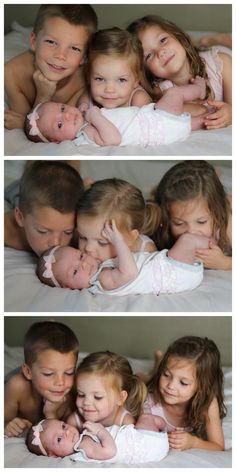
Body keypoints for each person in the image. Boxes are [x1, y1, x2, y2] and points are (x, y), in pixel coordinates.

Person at [36, 219, 210, 294]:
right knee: (188, 240)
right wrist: (118, 241)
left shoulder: (100, 271)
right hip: (172, 271)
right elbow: (129, 273)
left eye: (81, 256)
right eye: (74, 272)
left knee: (188, 243)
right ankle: (214, 244)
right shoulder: (102, 280)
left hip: (173, 270)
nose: (84, 264)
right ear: (69, 288)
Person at [24, 75, 208, 146]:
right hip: (156, 121)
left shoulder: (83, 124)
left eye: (63, 107)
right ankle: (199, 90)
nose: (67, 115)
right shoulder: (85, 133)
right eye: (59, 124)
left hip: (160, 129)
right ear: (57, 141)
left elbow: (83, 111)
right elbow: (113, 138)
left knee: (191, 123)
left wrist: (84, 111)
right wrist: (95, 115)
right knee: (174, 93)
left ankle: (204, 120)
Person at [128, 15, 232, 129]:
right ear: (146, 71)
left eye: (163, 40)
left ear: (179, 37)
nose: (161, 52)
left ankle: (213, 41)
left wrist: (231, 113)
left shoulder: (221, 63)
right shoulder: (162, 92)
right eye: (149, 55)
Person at [4, 5, 97, 130]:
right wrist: (43, 96)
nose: (60, 56)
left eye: (75, 48)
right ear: (33, 41)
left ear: (84, 57)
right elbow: (26, 122)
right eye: (51, 42)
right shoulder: (11, 73)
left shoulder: (84, 79)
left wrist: (23, 123)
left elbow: (64, 129)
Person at [139, 336, 226, 451]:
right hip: (151, 381)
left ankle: (160, 364)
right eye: (166, 375)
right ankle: (158, 365)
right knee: (143, 379)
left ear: (202, 387)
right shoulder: (150, 398)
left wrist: (194, 442)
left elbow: (218, 446)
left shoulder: (207, 403)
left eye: (183, 382)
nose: (171, 386)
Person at [4, 321, 79, 437]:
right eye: (48, 374)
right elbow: (4, 420)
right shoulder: (17, 386)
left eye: (69, 372)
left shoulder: (73, 394)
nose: (61, 382)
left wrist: (51, 414)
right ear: (28, 372)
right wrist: (8, 425)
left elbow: (60, 438)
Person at [152, 160, 232, 270]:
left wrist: (224, 263)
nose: (191, 232)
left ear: (217, 213)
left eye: (201, 222)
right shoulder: (162, 225)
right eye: (178, 223)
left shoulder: (227, 221)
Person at [4, 160, 84, 256]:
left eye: (67, 232)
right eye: (43, 231)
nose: (56, 243)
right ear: (20, 217)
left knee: (70, 179)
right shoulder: (6, 229)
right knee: (32, 171)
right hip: (18, 190)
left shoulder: (81, 235)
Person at [26, 418, 169, 463]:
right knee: (146, 418)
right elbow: (110, 451)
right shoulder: (83, 446)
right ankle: (166, 427)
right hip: (148, 443)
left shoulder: (81, 442)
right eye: (59, 439)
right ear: (53, 455)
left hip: (150, 445)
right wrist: (100, 430)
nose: (67, 432)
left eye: (63, 426)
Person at [67, 351, 147, 428]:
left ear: (120, 398)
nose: (86, 402)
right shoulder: (74, 422)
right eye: (81, 395)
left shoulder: (126, 422)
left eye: (97, 397)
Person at [77, 27, 152, 110]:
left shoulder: (138, 99)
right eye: (99, 79)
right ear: (89, 76)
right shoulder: (87, 98)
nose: (109, 89)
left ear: (136, 80)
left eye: (121, 80)